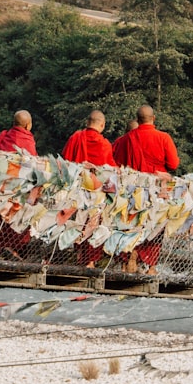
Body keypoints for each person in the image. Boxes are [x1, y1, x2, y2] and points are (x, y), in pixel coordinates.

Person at [112, 106, 179, 274]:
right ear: (153, 118)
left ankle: (127, 260)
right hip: (156, 189)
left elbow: (116, 163)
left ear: (138, 119)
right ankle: (151, 266)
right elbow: (173, 164)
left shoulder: (126, 139)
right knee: (155, 224)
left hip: (131, 190)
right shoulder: (164, 137)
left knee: (129, 223)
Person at [61, 110, 116, 268]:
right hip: (96, 194)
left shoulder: (76, 137)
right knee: (93, 223)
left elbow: (66, 160)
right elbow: (109, 170)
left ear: (87, 122)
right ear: (102, 125)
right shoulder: (104, 144)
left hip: (77, 190)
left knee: (78, 221)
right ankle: (90, 261)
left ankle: (78, 254)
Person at [0, 110, 37, 260]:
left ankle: (0, 250)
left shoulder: (4, 135)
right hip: (20, 188)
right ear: (28, 125)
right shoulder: (28, 139)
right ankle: (15, 250)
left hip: (3, 186)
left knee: (2, 217)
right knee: (19, 218)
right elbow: (33, 162)